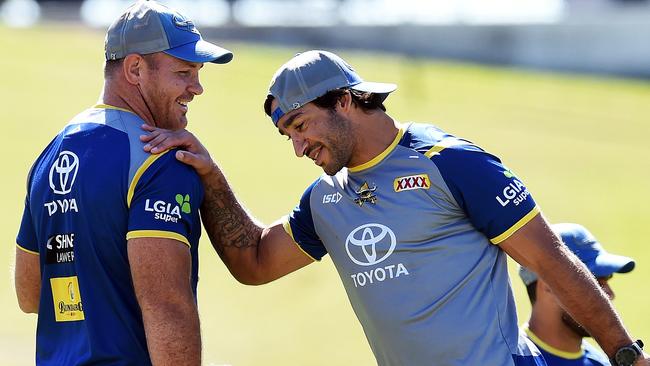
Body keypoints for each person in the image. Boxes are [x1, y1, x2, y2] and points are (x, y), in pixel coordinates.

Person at [141, 50, 648, 366]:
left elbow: (552, 261)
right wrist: (210, 176)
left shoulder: (451, 163)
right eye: (286, 136)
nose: (297, 147)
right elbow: (253, 264)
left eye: (300, 126)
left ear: (344, 101)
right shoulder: (325, 201)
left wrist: (625, 355)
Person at [14, 1, 232, 365]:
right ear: (135, 69)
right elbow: (168, 309)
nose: (197, 88)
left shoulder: (49, 156)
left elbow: (29, 293)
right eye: (183, 72)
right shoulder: (161, 161)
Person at [519, 223, 637, 366]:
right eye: (593, 285)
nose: (609, 295)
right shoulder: (505, 359)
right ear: (548, 286)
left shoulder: (603, 363)